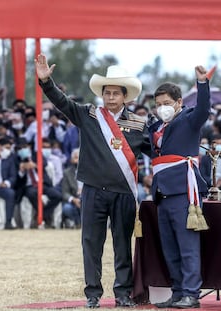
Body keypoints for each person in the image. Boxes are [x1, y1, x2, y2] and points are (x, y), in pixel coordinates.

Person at [35, 54, 151, 309]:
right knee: (91, 244)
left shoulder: (139, 124)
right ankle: (93, 294)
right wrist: (46, 82)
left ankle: (122, 294)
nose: (110, 98)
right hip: (93, 191)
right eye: (106, 93)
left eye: (115, 93)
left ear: (125, 96)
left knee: (122, 245)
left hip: (124, 194)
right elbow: (62, 103)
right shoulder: (88, 114)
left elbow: (158, 153)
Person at [149, 66, 210, 309]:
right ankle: (177, 292)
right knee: (170, 247)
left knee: (187, 246)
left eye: (166, 102)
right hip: (163, 192)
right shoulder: (155, 128)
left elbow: (205, 109)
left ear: (178, 102)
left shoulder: (189, 118)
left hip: (185, 191)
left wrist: (202, 83)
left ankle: (191, 293)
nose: (161, 107)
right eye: (158, 103)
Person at [61, 148, 82, 229]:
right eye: (76, 158)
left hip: (87, 199)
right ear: (71, 160)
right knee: (67, 208)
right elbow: (64, 192)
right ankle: (78, 223)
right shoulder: (67, 173)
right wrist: (73, 199)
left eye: (79, 157)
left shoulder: (90, 172)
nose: (78, 160)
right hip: (73, 200)